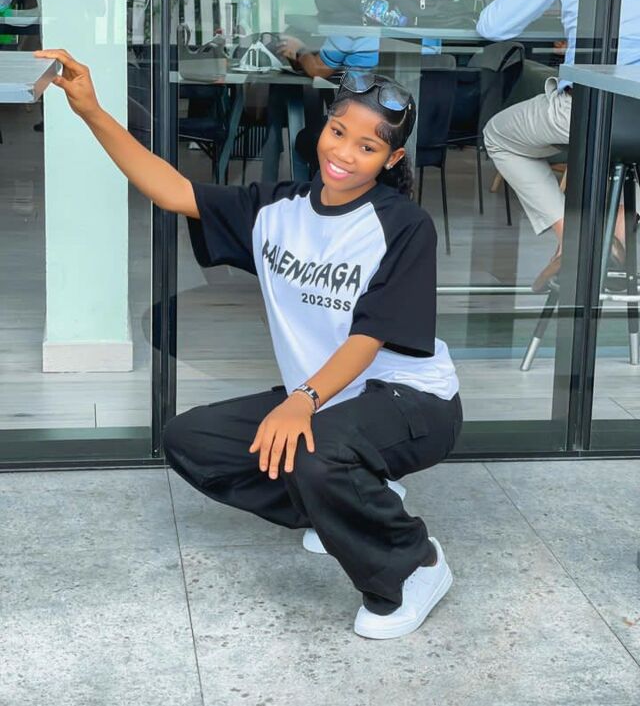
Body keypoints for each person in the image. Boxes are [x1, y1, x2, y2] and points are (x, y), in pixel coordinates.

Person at [36, 47, 462, 640]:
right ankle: (346, 503)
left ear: (391, 159)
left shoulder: (403, 225)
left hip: (411, 402)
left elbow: (368, 338)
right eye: (338, 132)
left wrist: (302, 400)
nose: (343, 153)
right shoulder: (276, 210)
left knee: (314, 451)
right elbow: (172, 190)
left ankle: (413, 566)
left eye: (366, 147)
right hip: (327, 404)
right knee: (193, 441)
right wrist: (92, 111)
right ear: (324, 127)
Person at [478, 0, 640, 293]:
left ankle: (573, 238)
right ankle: (618, 228)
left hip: (590, 107)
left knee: (497, 136)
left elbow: (494, 26)